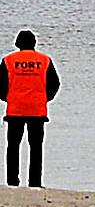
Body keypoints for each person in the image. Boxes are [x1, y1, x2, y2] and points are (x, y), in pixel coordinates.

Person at [5, 30, 59, 188]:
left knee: (13, 146)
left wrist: (8, 98)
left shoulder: (8, 60)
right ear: (34, 43)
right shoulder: (45, 60)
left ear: (17, 43)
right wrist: (44, 98)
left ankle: (12, 182)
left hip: (15, 110)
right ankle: (35, 182)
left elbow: (0, 85)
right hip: (37, 110)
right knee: (36, 147)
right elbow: (55, 84)